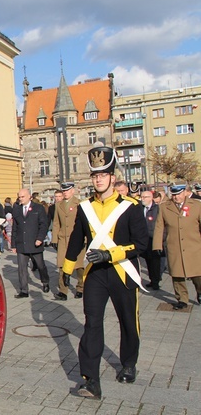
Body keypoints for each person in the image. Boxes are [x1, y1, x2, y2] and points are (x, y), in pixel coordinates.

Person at [63, 145, 148, 399]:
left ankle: (129, 363)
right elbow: (76, 239)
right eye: (94, 175)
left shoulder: (131, 207)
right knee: (92, 325)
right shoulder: (85, 207)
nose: (98, 179)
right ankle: (90, 380)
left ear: (112, 176)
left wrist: (111, 254)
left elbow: (141, 243)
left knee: (128, 323)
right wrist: (66, 269)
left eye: (103, 174)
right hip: (95, 274)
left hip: (122, 272)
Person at [153, 185, 201, 309]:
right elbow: (159, 227)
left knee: (197, 274)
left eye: (179, 194)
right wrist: (157, 244)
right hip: (174, 246)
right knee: (177, 274)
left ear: (185, 193)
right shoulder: (165, 207)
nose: (176, 197)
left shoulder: (196, 205)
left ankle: (200, 292)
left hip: (194, 246)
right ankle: (182, 299)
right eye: (174, 195)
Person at [11, 188, 50, 298]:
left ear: (29, 197)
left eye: (23, 197)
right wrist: (13, 244)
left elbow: (43, 224)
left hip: (35, 243)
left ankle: (45, 282)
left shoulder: (38, 208)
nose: (20, 199)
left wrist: (40, 238)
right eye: (19, 197)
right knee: (22, 268)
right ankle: (24, 290)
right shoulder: (17, 209)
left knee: (41, 265)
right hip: (21, 243)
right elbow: (15, 227)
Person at [52, 182, 85, 301]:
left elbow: (85, 224)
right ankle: (63, 291)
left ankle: (80, 287)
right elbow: (56, 222)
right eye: (63, 191)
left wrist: (84, 239)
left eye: (67, 190)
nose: (65, 192)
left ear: (73, 191)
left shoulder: (80, 204)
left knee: (79, 267)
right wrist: (54, 239)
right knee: (61, 266)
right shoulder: (58, 205)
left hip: (77, 239)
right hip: (63, 239)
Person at [139, 190, 161, 290]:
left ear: (151, 198)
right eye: (142, 197)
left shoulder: (157, 209)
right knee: (148, 261)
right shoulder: (139, 208)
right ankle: (152, 279)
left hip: (154, 239)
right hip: (144, 239)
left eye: (146, 197)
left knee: (155, 262)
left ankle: (156, 281)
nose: (143, 199)